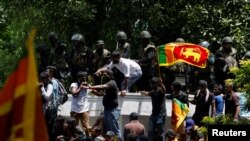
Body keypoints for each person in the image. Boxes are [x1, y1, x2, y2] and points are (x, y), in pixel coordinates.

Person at [87, 69, 122, 140]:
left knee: (114, 130)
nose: (103, 76)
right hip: (107, 109)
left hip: (112, 110)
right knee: (109, 130)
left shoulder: (112, 83)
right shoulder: (108, 84)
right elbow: (100, 94)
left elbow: (102, 86)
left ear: (110, 75)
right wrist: (91, 89)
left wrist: (91, 87)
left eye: (105, 74)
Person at [140, 77, 166, 141]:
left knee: (160, 132)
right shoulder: (153, 91)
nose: (151, 85)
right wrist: (141, 92)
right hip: (154, 114)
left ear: (156, 84)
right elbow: (147, 93)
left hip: (161, 114)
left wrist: (161, 83)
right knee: (150, 131)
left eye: (152, 84)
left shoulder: (160, 90)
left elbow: (164, 90)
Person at [69, 71, 91, 137]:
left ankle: (88, 139)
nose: (84, 80)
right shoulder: (74, 85)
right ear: (78, 78)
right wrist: (81, 87)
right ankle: (73, 138)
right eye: (82, 79)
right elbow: (74, 93)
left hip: (84, 109)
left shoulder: (87, 85)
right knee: (73, 126)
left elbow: (97, 92)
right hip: (75, 110)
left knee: (86, 127)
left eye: (85, 78)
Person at [39, 71, 57, 141]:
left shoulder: (50, 86)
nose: (43, 80)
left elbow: (47, 97)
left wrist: (42, 88)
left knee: (48, 128)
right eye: (42, 79)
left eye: (44, 79)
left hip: (48, 111)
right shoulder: (39, 85)